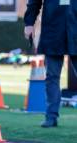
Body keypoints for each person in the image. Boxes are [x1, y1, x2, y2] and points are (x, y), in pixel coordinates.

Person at [24, 0, 77, 128]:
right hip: (53, 30)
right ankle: (51, 117)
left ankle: (51, 116)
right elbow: (34, 2)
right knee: (52, 76)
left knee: (52, 77)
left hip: (75, 27)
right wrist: (29, 23)